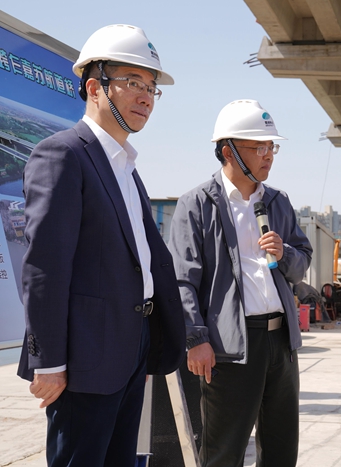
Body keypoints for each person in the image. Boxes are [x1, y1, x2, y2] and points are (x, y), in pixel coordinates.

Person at [17, 24, 186, 466]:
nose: (146, 97)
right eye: (133, 82)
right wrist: (49, 362)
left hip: (131, 349)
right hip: (84, 359)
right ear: (95, 88)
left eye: (151, 87)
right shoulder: (63, 155)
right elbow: (44, 267)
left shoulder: (126, 168)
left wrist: (145, 344)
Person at [168, 99, 312, 467]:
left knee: (282, 451)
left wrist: (285, 253)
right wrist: (196, 339)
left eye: (271, 146)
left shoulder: (278, 202)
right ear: (228, 150)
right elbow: (182, 280)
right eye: (259, 147)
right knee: (224, 453)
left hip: (280, 343)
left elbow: (301, 263)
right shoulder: (197, 205)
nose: (269, 155)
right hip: (229, 348)